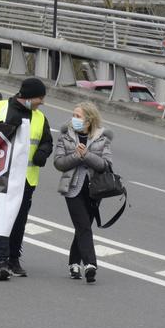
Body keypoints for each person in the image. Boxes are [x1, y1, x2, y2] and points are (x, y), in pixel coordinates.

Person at [0, 77, 52, 281]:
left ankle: (13, 259)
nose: (42, 102)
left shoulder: (40, 117)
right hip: (2, 175)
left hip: (27, 178)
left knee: (19, 221)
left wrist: (42, 153)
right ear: (27, 96)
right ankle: (1, 260)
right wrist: (9, 127)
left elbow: (46, 142)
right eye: (40, 98)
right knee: (3, 216)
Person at [53, 102, 111, 284]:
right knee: (84, 225)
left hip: (95, 190)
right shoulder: (66, 137)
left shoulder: (102, 138)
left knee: (82, 227)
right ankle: (90, 264)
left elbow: (105, 165)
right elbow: (59, 163)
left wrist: (86, 155)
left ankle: (73, 263)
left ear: (89, 119)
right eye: (74, 115)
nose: (74, 119)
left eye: (78, 116)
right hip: (72, 188)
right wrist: (77, 156)